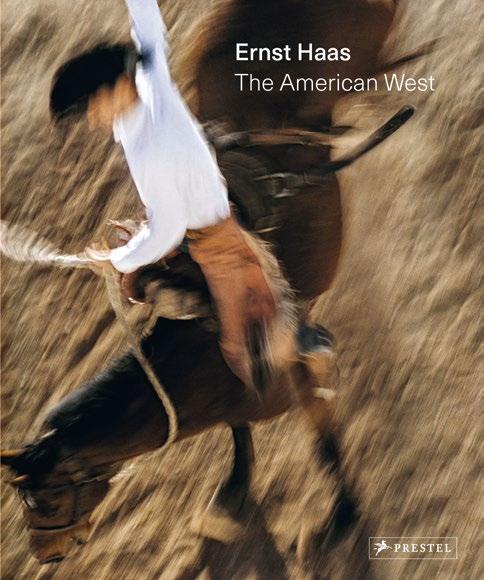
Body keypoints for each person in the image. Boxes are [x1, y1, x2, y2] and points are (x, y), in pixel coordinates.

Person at [49, 0, 286, 387]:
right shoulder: (149, 78)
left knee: (238, 351)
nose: (92, 120)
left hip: (216, 251)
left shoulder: (153, 151)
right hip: (206, 221)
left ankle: (296, 354)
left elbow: (168, 231)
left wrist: (117, 260)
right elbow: (149, 31)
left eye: (92, 107)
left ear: (118, 88)